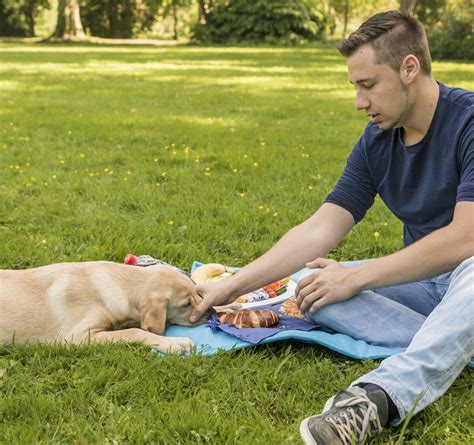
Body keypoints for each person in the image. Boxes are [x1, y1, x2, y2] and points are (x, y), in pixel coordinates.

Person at [190, 10, 473, 444]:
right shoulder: (376, 141)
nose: (360, 102)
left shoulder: (468, 123)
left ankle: (380, 396)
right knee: (314, 286)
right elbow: (320, 227)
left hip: (469, 274)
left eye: (368, 85)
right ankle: (454, 342)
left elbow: (465, 237)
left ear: (409, 68)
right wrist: (232, 287)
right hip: (430, 287)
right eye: (355, 88)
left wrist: (358, 276)